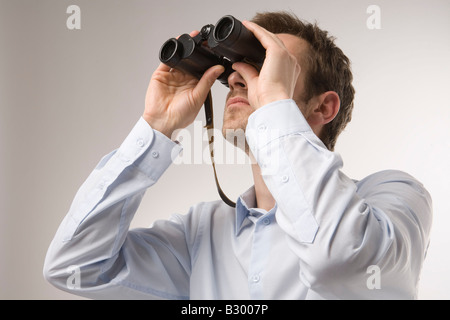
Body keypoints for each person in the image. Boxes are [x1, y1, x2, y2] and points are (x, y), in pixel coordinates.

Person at [44, 11, 432, 299]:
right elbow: (74, 266)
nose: (235, 78)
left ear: (323, 108)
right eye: (237, 69)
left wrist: (273, 106)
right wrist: (156, 128)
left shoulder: (392, 197)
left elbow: (342, 259)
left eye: (267, 66)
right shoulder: (201, 233)